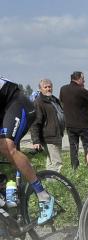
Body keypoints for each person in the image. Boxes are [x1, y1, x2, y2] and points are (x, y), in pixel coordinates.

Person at [0, 77, 55, 224]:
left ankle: (44, 196)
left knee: (6, 146)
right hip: (3, 111)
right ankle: (7, 207)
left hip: (17, 104)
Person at [59, 71, 88, 169]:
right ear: (79, 79)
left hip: (70, 124)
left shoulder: (63, 89)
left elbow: (62, 100)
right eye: (83, 79)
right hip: (83, 124)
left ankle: (74, 167)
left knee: (73, 147)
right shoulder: (82, 90)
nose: (84, 81)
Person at [31, 79, 65, 172]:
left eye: (49, 86)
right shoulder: (39, 102)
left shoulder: (54, 100)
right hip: (49, 137)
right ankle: (57, 184)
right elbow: (35, 123)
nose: (48, 89)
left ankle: (49, 183)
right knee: (57, 163)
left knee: (50, 162)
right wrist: (36, 141)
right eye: (45, 87)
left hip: (57, 135)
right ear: (40, 89)